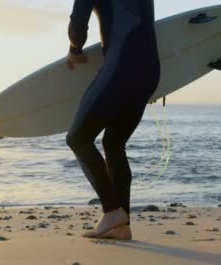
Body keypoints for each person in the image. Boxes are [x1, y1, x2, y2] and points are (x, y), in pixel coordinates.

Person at [65, 0, 161, 240]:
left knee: (78, 138)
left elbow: (79, 22)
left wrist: (75, 49)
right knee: (114, 144)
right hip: (149, 71)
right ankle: (121, 226)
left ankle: (111, 211)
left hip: (121, 67)